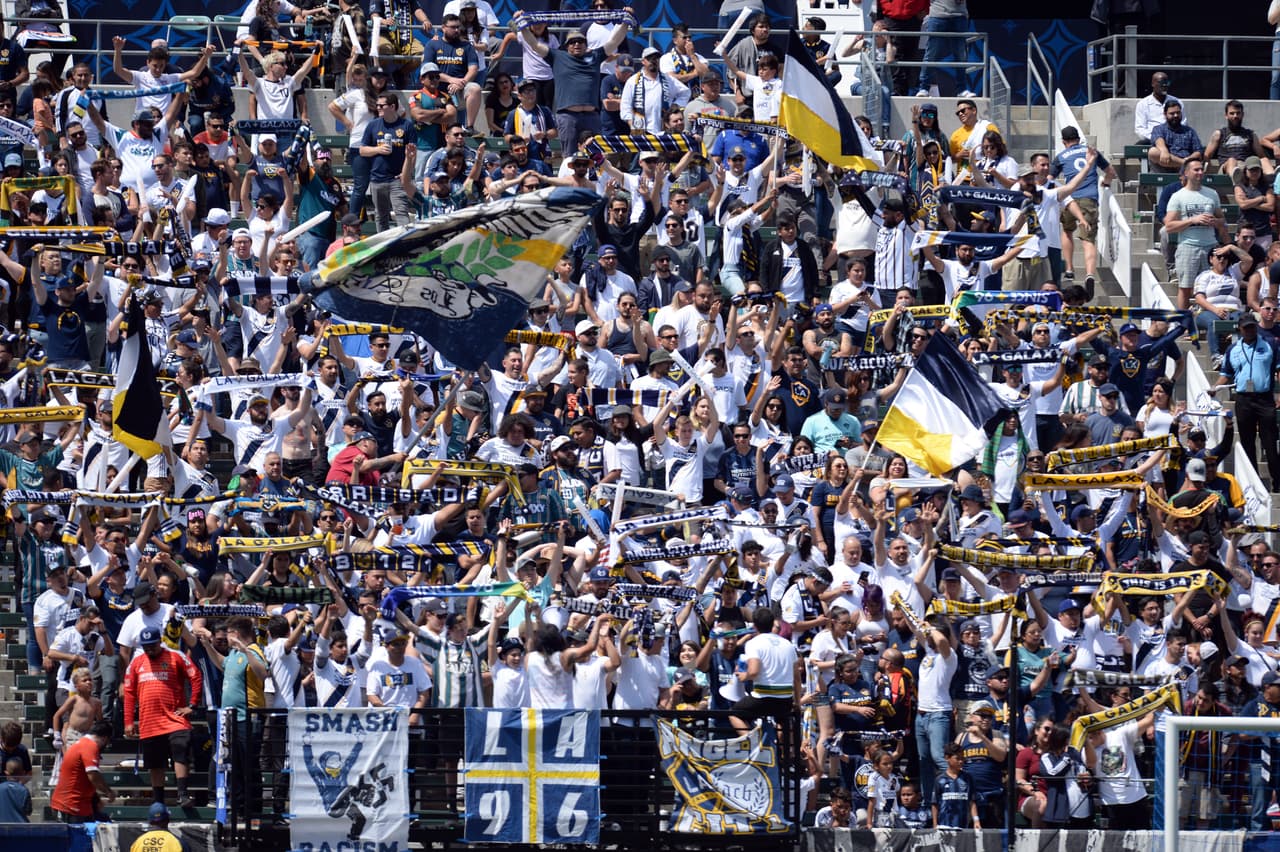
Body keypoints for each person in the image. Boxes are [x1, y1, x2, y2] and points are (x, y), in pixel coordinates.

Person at [49, 720, 115, 823]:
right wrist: (108, 791)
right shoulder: (89, 746)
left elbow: (82, 776)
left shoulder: (82, 744)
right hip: (70, 806)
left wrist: (96, 798)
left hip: (78, 805)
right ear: (105, 738)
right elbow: (93, 775)